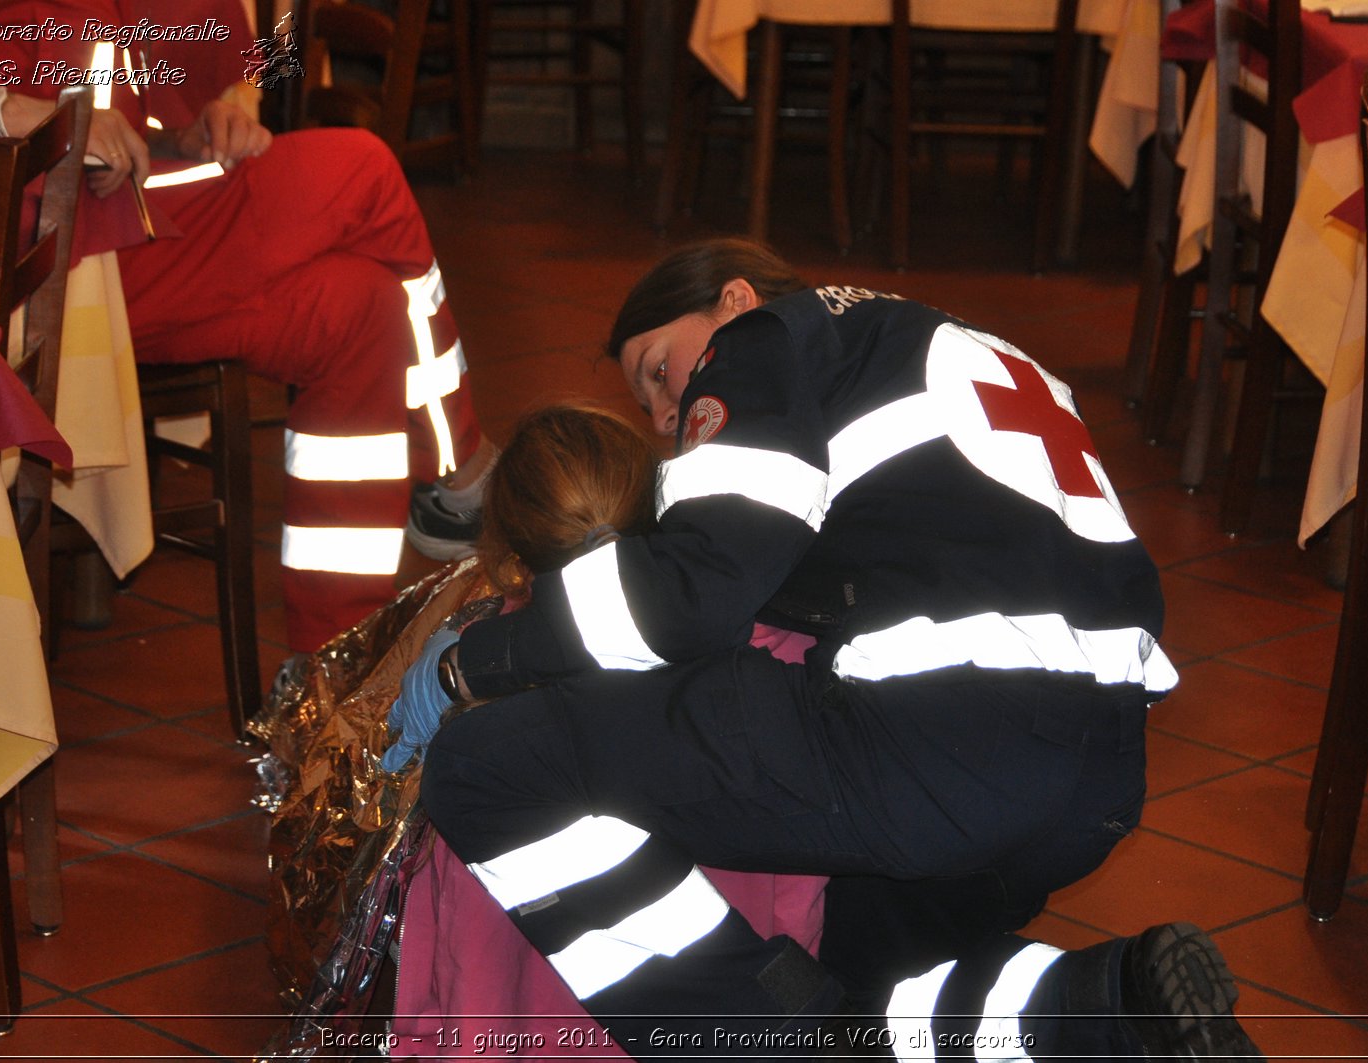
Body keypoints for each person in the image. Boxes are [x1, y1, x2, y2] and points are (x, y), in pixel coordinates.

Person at [393, 240, 1263, 1060]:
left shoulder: (767, 339)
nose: (665, 414)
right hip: (1094, 778)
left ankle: (766, 1047)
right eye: (649, 404)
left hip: (942, 730)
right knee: (863, 983)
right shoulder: (959, 348)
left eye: (661, 370)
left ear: (732, 299)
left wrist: (475, 661)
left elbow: (692, 595)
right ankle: (1119, 1001)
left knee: (486, 766)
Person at [0, 0, 497, 651]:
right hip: (2, 263)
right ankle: (459, 472)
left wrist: (183, 134)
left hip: (104, 236)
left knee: (357, 309)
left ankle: (337, 653)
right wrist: (8, 110)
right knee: (363, 172)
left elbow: (137, 87)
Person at [252, 403, 826, 1059]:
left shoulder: (470, 726)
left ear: (505, 555)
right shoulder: (778, 659)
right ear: (666, 512)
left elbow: (457, 976)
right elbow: (802, 895)